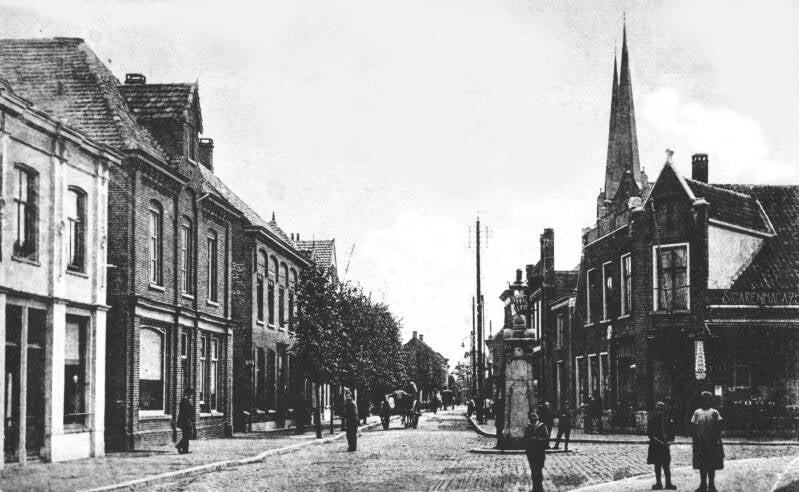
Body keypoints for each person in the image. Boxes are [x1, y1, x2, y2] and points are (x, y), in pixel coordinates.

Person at [691, 391, 724, 492]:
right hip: (701, 442)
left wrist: (718, 439)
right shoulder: (697, 412)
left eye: (708, 399)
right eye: (703, 399)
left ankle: (712, 485)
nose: (706, 401)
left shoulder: (714, 412)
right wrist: (695, 440)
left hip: (712, 442)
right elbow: (694, 426)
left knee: (712, 464)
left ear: (710, 401)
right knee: (702, 465)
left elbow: (719, 426)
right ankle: (703, 485)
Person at [648, 401, 677, 490]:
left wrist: (669, 441)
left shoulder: (667, 420)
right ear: (656, 408)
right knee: (658, 465)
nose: (660, 409)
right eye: (658, 407)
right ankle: (659, 483)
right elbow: (650, 433)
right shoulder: (652, 419)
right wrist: (659, 441)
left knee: (665, 465)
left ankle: (668, 483)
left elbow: (672, 432)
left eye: (661, 407)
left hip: (664, 445)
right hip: (656, 445)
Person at [524, 410, 549, 492]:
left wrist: (537, 439)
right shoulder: (528, 427)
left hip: (540, 452)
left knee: (539, 469)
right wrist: (530, 441)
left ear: (538, 416)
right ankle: (535, 487)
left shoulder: (542, 426)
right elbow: (525, 440)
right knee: (533, 470)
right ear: (529, 418)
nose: (533, 418)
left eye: (535, 416)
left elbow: (546, 439)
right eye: (531, 416)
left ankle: (540, 487)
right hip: (531, 452)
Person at [176, 388, 194, 454]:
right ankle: (179, 445)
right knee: (187, 435)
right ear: (187, 394)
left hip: (185, 421)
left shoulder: (185, 400)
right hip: (186, 421)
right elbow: (186, 412)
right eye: (190, 394)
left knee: (185, 435)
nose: (191, 396)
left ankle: (185, 450)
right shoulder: (185, 401)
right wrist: (189, 420)